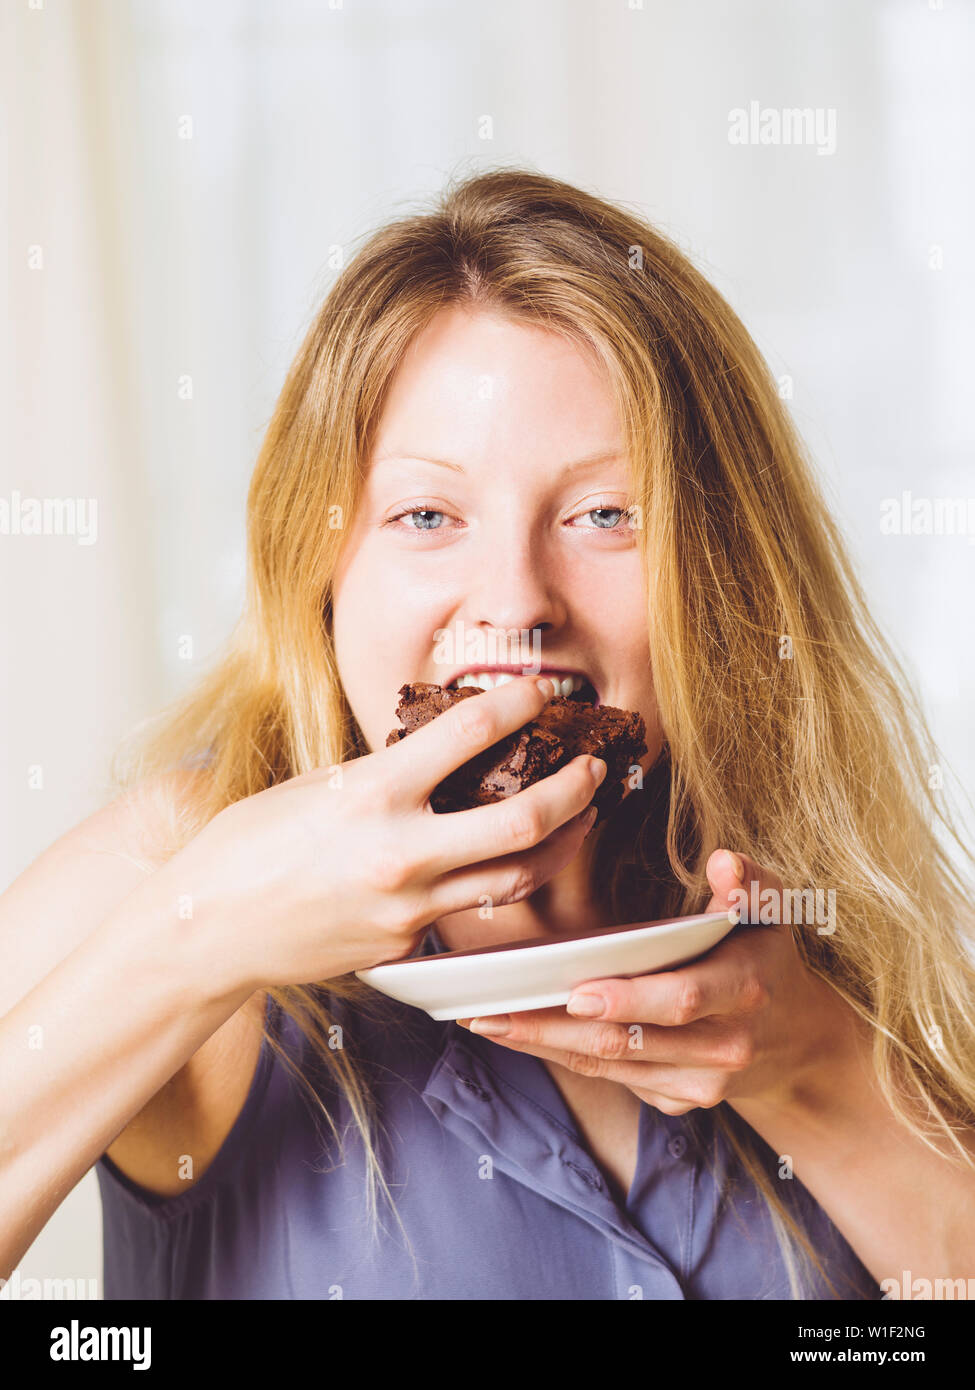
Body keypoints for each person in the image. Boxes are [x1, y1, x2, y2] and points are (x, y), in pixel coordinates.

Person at [3, 168, 974, 1301]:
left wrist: (816, 1069)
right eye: (427, 516)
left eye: (603, 514)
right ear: (321, 564)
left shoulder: (806, 918)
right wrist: (199, 936)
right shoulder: (175, 860)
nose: (515, 601)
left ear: (720, 571)